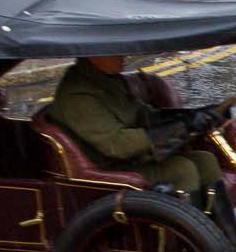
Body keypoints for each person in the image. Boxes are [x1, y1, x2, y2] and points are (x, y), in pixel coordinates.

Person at [43, 56, 222, 195]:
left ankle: (227, 238)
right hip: (106, 170)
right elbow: (118, 145)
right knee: (182, 169)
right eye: (115, 52)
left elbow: (143, 115)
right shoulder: (78, 96)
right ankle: (189, 240)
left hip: (129, 160)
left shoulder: (106, 80)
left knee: (205, 160)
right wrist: (179, 127)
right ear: (93, 55)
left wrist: (190, 116)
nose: (123, 57)